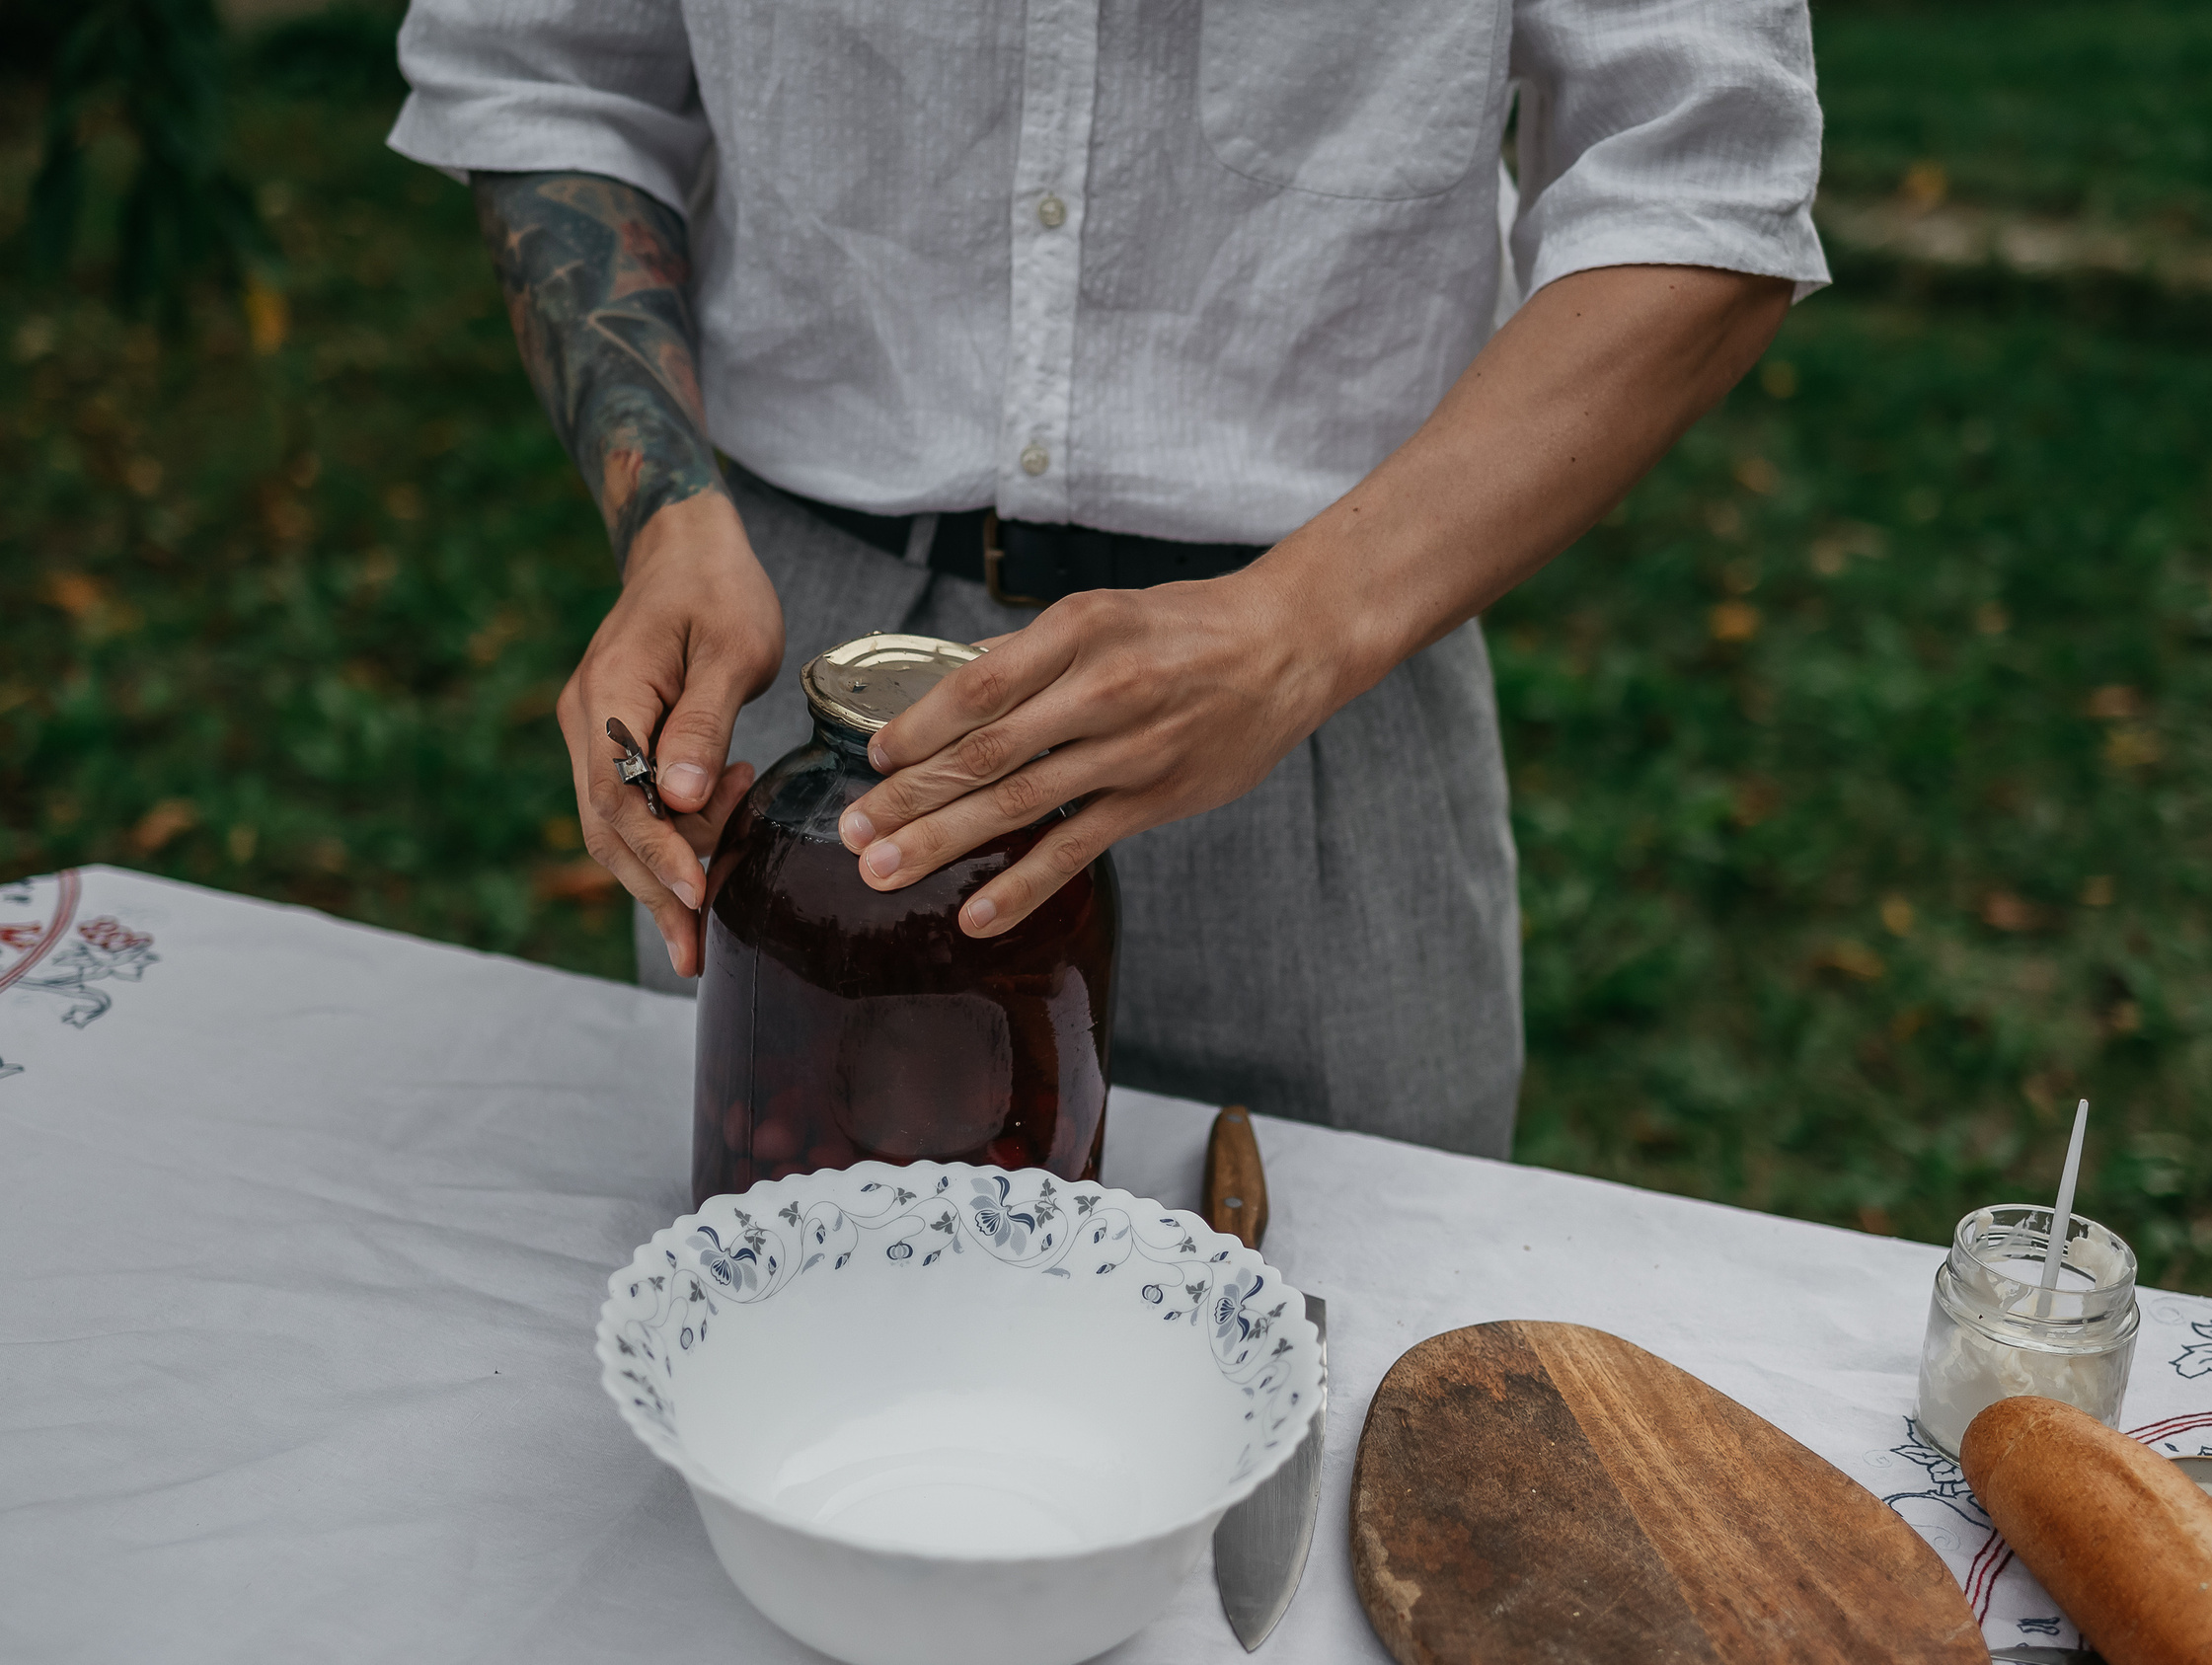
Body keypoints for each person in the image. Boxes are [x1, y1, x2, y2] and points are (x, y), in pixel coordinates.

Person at [389, 0, 1827, 1159]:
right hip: (790, 667)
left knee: (1313, 1405)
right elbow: (551, 69)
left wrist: (1305, 628)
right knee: (766, 1330)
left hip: (1321, 692)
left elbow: (1705, 168)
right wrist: (666, 514)